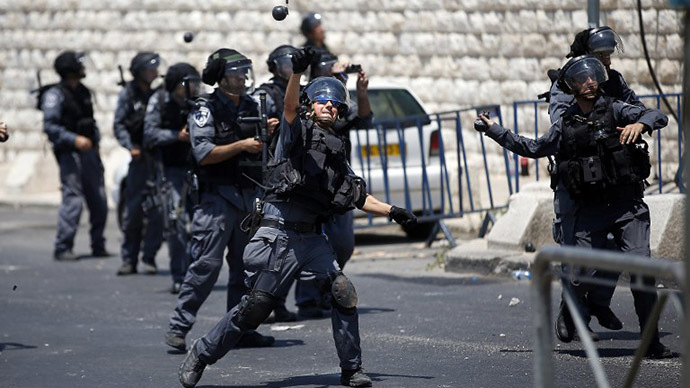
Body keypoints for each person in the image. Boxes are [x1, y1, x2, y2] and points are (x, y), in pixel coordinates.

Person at [177, 47, 417, 388]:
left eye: (334, 103)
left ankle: (352, 369)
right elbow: (289, 106)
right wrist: (296, 74)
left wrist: (393, 211)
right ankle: (202, 352)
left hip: (312, 238)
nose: (329, 106)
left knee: (342, 292)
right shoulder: (295, 132)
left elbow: (355, 194)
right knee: (256, 307)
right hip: (279, 232)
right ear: (310, 104)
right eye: (322, 101)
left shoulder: (335, 148)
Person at [475, 55, 672, 358]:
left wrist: (639, 123)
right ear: (572, 86)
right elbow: (533, 147)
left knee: (643, 273)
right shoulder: (565, 125)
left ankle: (651, 342)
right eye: (582, 79)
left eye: (594, 77)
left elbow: (658, 115)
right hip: (589, 211)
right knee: (580, 275)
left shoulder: (616, 109)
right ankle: (572, 307)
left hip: (626, 207)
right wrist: (494, 130)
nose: (590, 82)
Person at [164, 48, 277, 352]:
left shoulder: (254, 105)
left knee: (247, 269)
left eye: (244, 71)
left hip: (248, 198)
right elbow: (203, 153)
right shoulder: (205, 109)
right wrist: (242, 144)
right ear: (220, 77)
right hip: (217, 200)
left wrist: (267, 132)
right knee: (205, 266)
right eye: (236, 72)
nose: (242, 77)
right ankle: (179, 327)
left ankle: (240, 330)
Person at [548, 26, 645, 340]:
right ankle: (572, 311)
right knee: (577, 252)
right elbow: (560, 123)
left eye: (608, 55)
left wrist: (635, 121)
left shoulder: (614, 81)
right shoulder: (568, 83)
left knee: (617, 248)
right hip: (575, 180)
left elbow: (637, 109)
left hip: (610, 180)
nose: (606, 61)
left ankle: (600, 302)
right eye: (600, 55)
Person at [295, 52, 374, 319]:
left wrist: (360, 90)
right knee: (307, 242)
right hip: (311, 182)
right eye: (331, 70)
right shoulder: (310, 100)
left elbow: (363, 118)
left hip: (337, 183)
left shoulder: (336, 103)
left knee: (343, 244)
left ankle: (325, 290)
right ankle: (306, 299)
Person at [41, 51, 109, 261]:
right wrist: (74, 140)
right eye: (79, 66)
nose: (84, 69)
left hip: (89, 152)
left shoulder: (84, 92)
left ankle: (98, 243)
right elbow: (50, 126)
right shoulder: (55, 95)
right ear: (69, 70)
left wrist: (95, 143)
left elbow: (90, 120)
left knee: (98, 199)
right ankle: (63, 246)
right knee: (73, 200)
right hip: (70, 154)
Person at [143, 62, 200, 294]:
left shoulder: (199, 102)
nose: (193, 89)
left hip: (198, 170)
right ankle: (179, 275)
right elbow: (149, 133)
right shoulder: (159, 101)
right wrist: (176, 136)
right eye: (187, 84)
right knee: (175, 223)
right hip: (170, 171)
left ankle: (196, 274)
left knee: (202, 225)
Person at [115, 52, 165, 275]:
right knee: (133, 211)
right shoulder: (128, 95)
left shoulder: (159, 95)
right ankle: (129, 259)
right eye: (149, 68)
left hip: (158, 159)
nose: (154, 72)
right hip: (139, 160)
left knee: (158, 212)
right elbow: (119, 125)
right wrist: (130, 146)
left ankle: (149, 257)